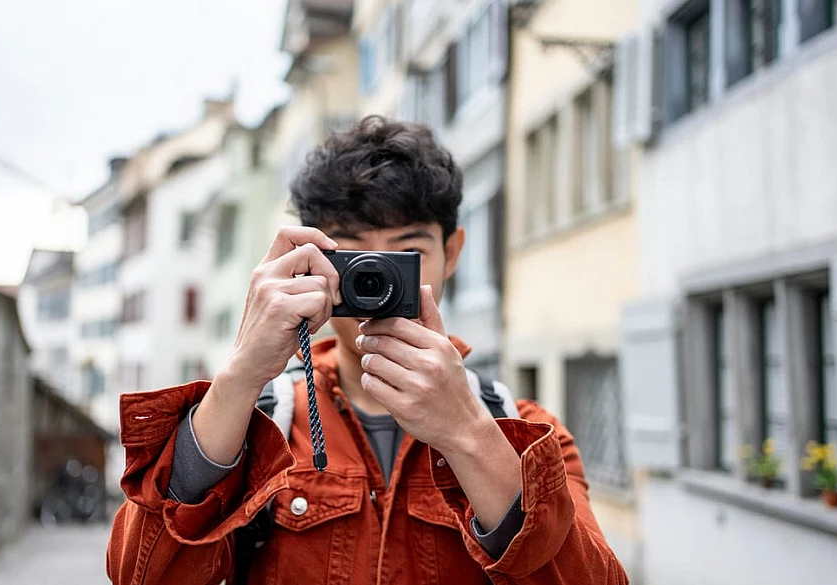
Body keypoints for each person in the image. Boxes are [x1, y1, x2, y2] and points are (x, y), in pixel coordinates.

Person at [106, 116, 628, 585]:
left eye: (407, 252)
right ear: (307, 257)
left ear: (451, 254)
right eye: (351, 254)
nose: (377, 278)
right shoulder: (259, 422)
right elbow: (139, 577)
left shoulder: (523, 432)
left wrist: (469, 435)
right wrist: (241, 375)